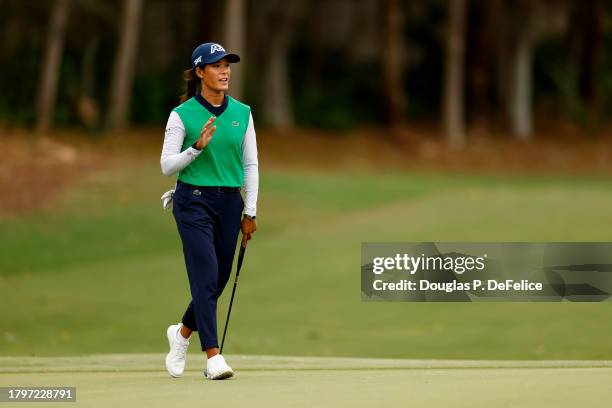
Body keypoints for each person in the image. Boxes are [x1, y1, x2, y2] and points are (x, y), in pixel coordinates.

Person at [159, 42, 259, 380]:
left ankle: (182, 333)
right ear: (200, 72)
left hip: (230, 202)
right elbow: (167, 165)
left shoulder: (242, 113)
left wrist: (251, 210)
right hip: (193, 201)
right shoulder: (182, 115)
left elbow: (251, 164)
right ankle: (213, 356)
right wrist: (195, 148)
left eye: (227, 64)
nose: (225, 70)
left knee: (217, 278)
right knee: (205, 275)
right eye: (216, 65)